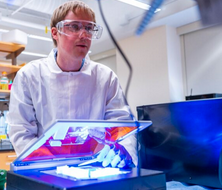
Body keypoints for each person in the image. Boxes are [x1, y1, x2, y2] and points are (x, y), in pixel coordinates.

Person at [8, 1, 137, 168]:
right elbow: (21, 133)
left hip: (98, 168)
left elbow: (122, 127)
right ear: (55, 33)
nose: (84, 34)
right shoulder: (30, 75)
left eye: (89, 28)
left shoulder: (106, 77)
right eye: (74, 27)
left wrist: (121, 154)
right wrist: (51, 164)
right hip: (46, 170)